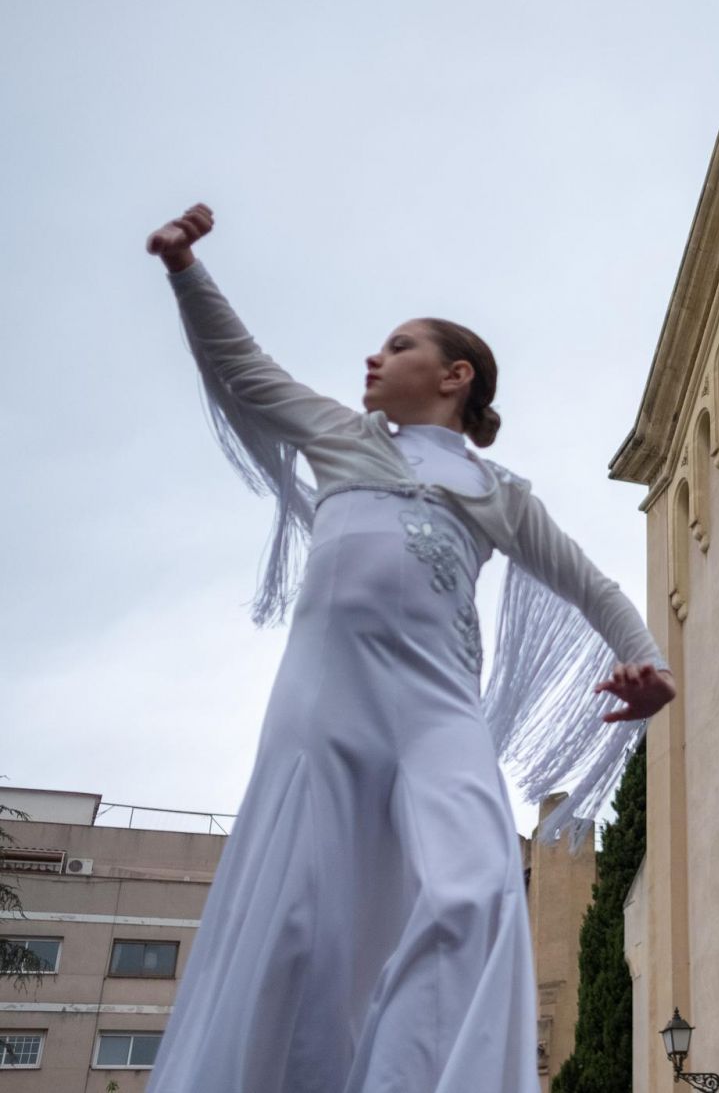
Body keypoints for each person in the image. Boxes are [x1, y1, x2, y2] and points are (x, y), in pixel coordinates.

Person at [141, 204, 674, 1093]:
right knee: (297, 930)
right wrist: (186, 272)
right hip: (322, 709)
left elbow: (592, 583)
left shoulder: (497, 490)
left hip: (437, 711)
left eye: (398, 345)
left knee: (478, 890)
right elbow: (242, 369)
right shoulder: (342, 439)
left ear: (453, 375)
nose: (373, 358)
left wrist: (647, 662)